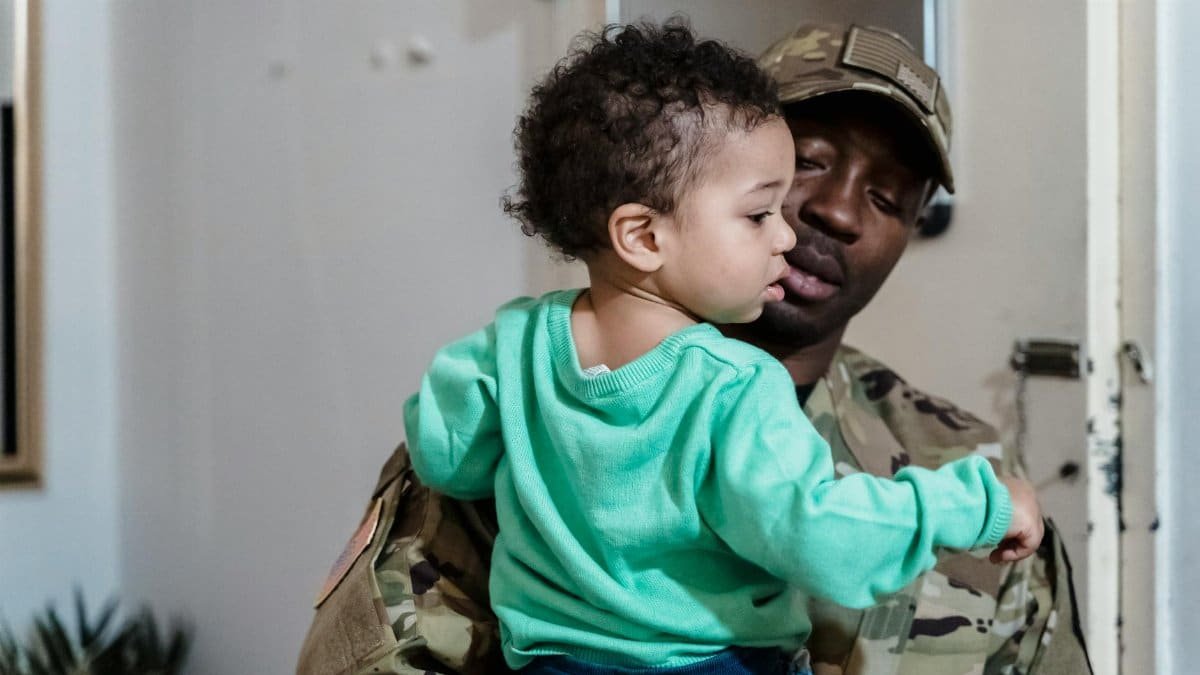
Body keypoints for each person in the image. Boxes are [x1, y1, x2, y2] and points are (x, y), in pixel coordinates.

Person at [296, 22, 1093, 675]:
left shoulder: (957, 451)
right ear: (649, 214)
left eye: (888, 198)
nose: (835, 215)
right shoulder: (543, 432)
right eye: (801, 169)